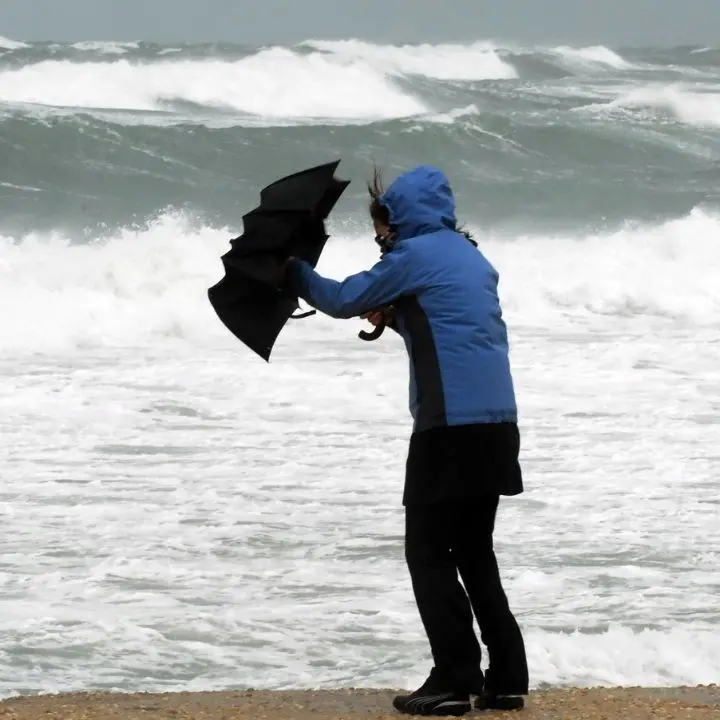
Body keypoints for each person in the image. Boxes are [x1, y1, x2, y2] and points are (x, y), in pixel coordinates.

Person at [283, 165, 529, 716]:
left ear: (397, 220)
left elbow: (343, 297)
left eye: (380, 230)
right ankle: (507, 676)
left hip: (449, 427)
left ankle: (454, 678)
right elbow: (448, 324)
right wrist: (396, 317)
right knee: (473, 550)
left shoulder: (412, 257)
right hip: (497, 423)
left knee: (426, 553)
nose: (379, 241)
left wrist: (291, 270)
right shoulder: (469, 255)